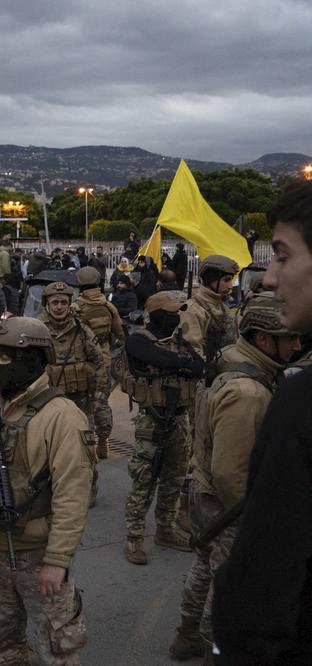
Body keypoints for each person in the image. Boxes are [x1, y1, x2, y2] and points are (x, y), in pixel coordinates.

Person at [0, 316, 92, 664]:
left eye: (3, 358)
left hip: (39, 554)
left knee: (56, 648)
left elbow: (73, 495)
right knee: (2, 641)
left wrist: (57, 561)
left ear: (30, 360)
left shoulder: (62, 417)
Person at [212, 180, 312, 662]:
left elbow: (259, 601)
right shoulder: (255, 389)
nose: (270, 277)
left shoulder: (301, 402)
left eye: (283, 256)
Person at [170, 294, 299, 660]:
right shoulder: (248, 391)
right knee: (228, 580)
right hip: (226, 503)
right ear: (263, 340)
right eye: (288, 338)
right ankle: (216, 644)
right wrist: (253, 518)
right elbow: (231, 471)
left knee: (204, 567)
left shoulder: (234, 361)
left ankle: (186, 633)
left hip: (204, 491)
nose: (296, 346)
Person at [120, 291, 204, 565]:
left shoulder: (180, 341)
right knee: (144, 479)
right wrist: (180, 364)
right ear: (155, 314)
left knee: (174, 478)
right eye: (170, 313)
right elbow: (162, 359)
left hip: (180, 419)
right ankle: (134, 538)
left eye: (177, 313)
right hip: (152, 419)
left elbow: (199, 367)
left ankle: (165, 530)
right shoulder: (138, 339)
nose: (175, 318)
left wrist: (180, 364)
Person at [37, 282, 107, 502]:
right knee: (46, 449)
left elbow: (99, 363)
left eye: (63, 302)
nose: (59, 307)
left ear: (69, 304)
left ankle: (89, 486)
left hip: (80, 401)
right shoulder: (37, 330)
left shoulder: (82, 330)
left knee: (85, 447)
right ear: (47, 305)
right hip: (47, 402)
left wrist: (98, 397)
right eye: (54, 303)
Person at [73, 266, 124, 459]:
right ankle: (104, 439)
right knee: (101, 401)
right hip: (104, 359)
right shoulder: (109, 306)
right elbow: (119, 335)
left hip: (84, 361)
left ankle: (89, 443)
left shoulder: (76, 307)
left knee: (84, 404)